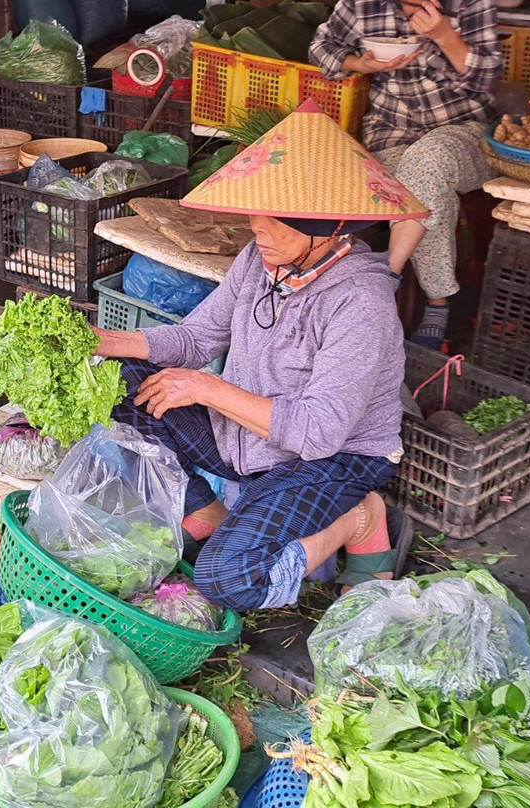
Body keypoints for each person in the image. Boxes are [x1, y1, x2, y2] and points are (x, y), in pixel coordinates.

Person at [93, 101, 427, 611]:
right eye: (255, 218)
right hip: (246, 439)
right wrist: (103, 341)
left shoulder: (361, 303)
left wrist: (205, 388)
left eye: (276, 222)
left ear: (326, 227)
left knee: (228, 580)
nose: (259, 232)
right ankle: (205, 510)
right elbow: (197, 338)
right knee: (113, 381)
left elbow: (318, 432)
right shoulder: (260, 258)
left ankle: (361, 518)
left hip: (330, 459)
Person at [309, 0, 503, 349]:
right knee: (421, 181)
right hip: (392, 130)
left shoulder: (470, 4)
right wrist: (360, 62)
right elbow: (320, 49)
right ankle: (438, 303)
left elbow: (487, 77)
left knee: (427, 162)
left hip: (467, 129)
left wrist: (444, 34)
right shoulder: (361, 4)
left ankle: (386, 278)